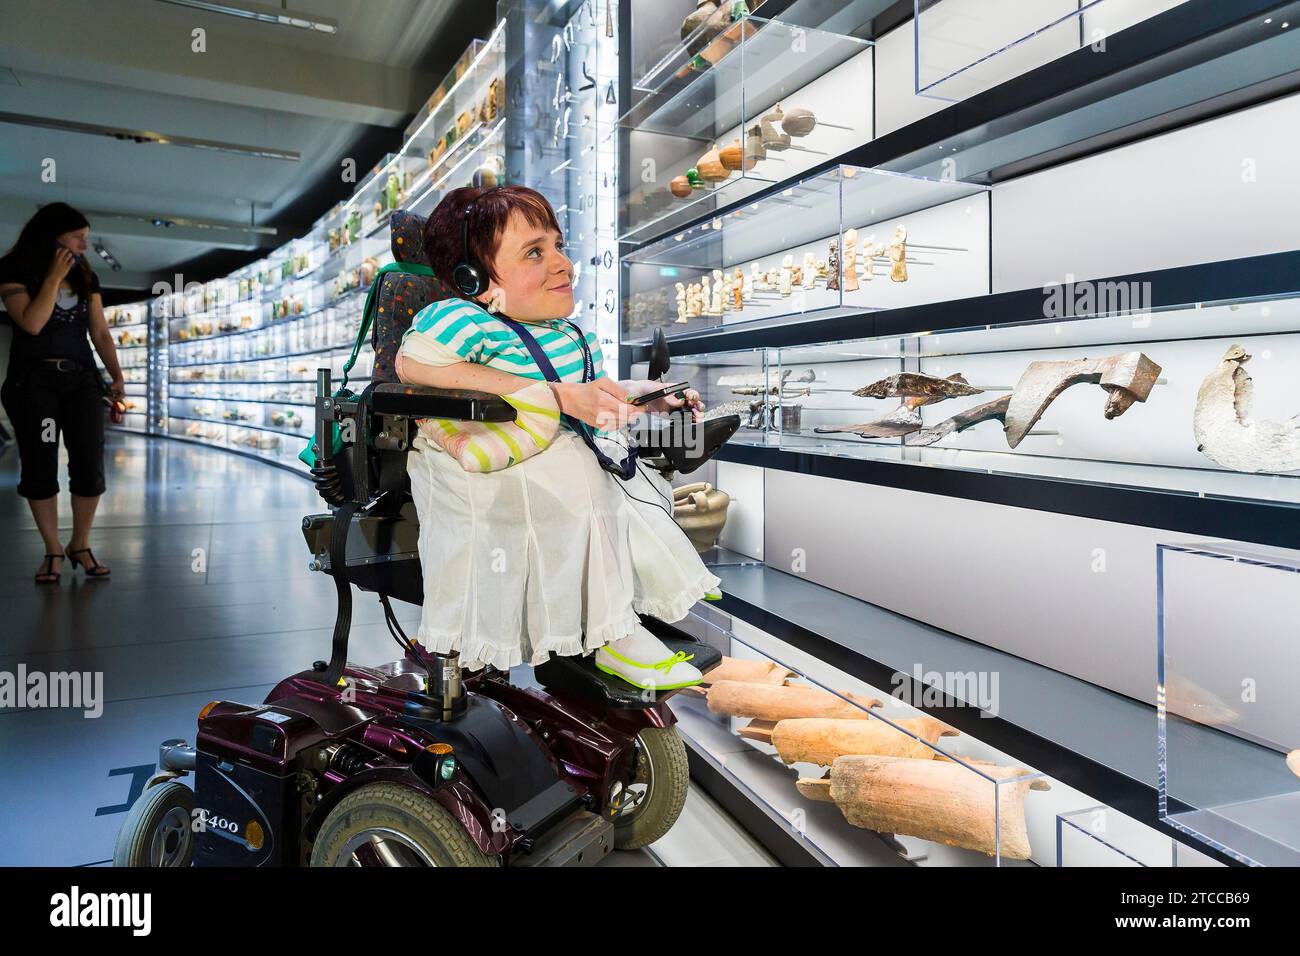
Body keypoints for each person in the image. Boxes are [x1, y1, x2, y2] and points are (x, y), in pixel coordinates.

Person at [396, 185, 720, 689]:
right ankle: (614, 635)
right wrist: (549, 395)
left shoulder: (568, 332)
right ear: (475, 280)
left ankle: (632, 601)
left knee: (631, 476)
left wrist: (645, 396)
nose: (562, 264)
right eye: (533, 253)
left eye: (557, 245)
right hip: (493, 457)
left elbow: (589, 392)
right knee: (579, 475)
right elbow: (413, 363)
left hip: (556, 448)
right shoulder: (464, 320)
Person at [0, 202, 123, 582]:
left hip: (81, 382)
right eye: (78, 238)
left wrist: (116, 376)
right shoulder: (13, 270)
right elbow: (33, 324)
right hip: (33, 385)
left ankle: (80, 543)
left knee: (89, 461)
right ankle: (52, 548)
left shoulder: (86, 275)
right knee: (40, 461)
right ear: (52, 235)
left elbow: (99, 331)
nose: (84, 246)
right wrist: (53, 278)